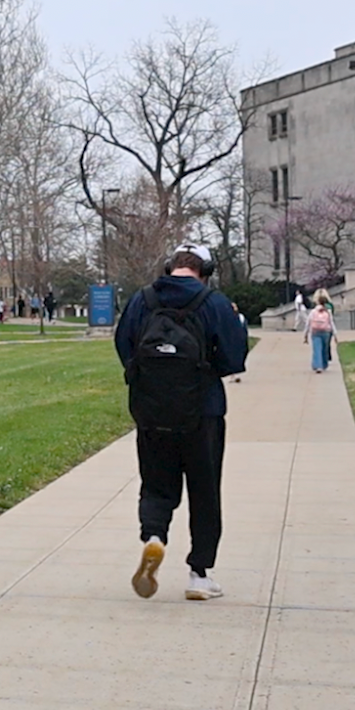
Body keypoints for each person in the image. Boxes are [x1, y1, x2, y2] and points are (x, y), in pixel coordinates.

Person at [115, 244, 247, 602]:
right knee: (205, 492)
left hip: (152, 412)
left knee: (156, 485)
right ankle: (199, 575)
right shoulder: (214, 303)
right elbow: (234, 358)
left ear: (169, 267)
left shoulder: (142, 300)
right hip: (203, 413)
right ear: (205, 269)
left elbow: (124, 346)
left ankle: (154, 537)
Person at [304, 288, 337, 374]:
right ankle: (324, 364)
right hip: (326, 331)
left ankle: (318, 365)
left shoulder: (313, 311)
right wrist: (335, 334)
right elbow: (331, 322)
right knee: (325, 349)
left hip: (315, 331)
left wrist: (305, 334)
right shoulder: (328, 310)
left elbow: (308, 322)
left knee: (317, 348)